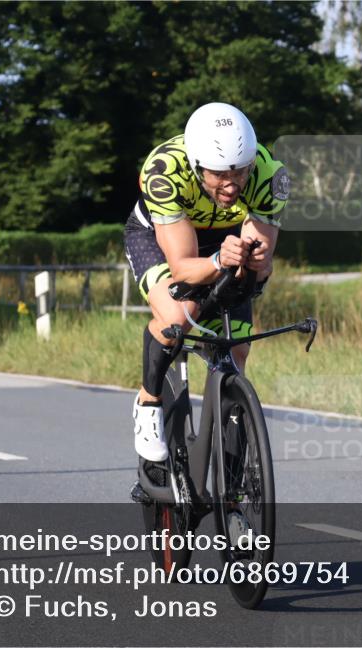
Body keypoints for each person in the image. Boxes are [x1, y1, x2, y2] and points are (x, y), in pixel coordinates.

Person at [124, 102, 289, 466]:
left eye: (241, 172)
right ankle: (148, 402)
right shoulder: (165, 170)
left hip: (225, 240)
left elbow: (258, 268)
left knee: (238, 347)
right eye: (218, 174)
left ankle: (233, 472)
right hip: (161, 238)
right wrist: (217, 262)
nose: (231, 184)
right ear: (197, 165)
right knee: (177, 317)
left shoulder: (269, 176)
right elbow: (183, 268)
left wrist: (255, 266)